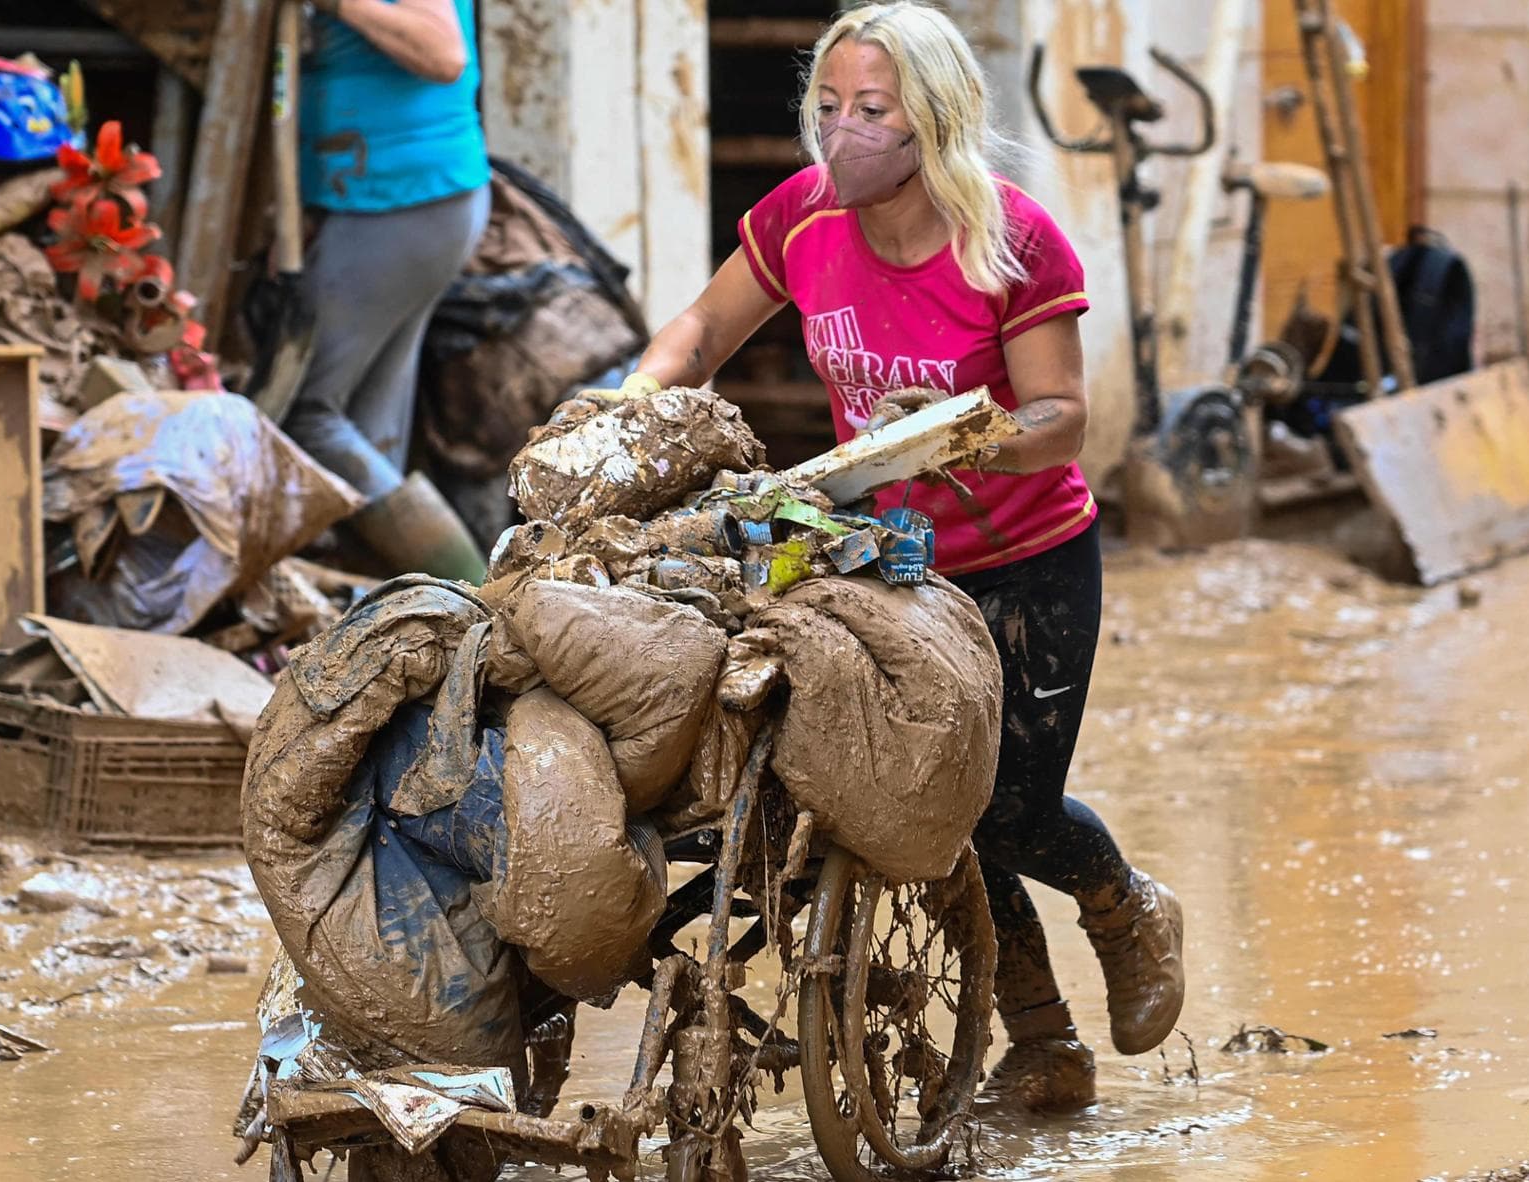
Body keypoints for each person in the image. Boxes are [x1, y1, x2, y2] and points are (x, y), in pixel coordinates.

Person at [592, 2, 1184, 1108]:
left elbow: (1065, 418)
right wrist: (625, 407)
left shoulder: (1010, 241)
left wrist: (967, 430)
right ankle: (1043, 1042)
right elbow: (701, 335)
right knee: (924, 804)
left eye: (872, 110)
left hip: (1025, 556)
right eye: (827, 107)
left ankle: (1123, 902)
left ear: (934, 120)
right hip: (898, 562)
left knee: (1009, 803)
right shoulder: (804, 218)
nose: (842, 133)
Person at [286, 0, 489, 582]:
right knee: (366, 425)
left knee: (308, 415)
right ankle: (409, 622)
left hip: (400, 195)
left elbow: (444, 53)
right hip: (403, 196)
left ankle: (481, 600)